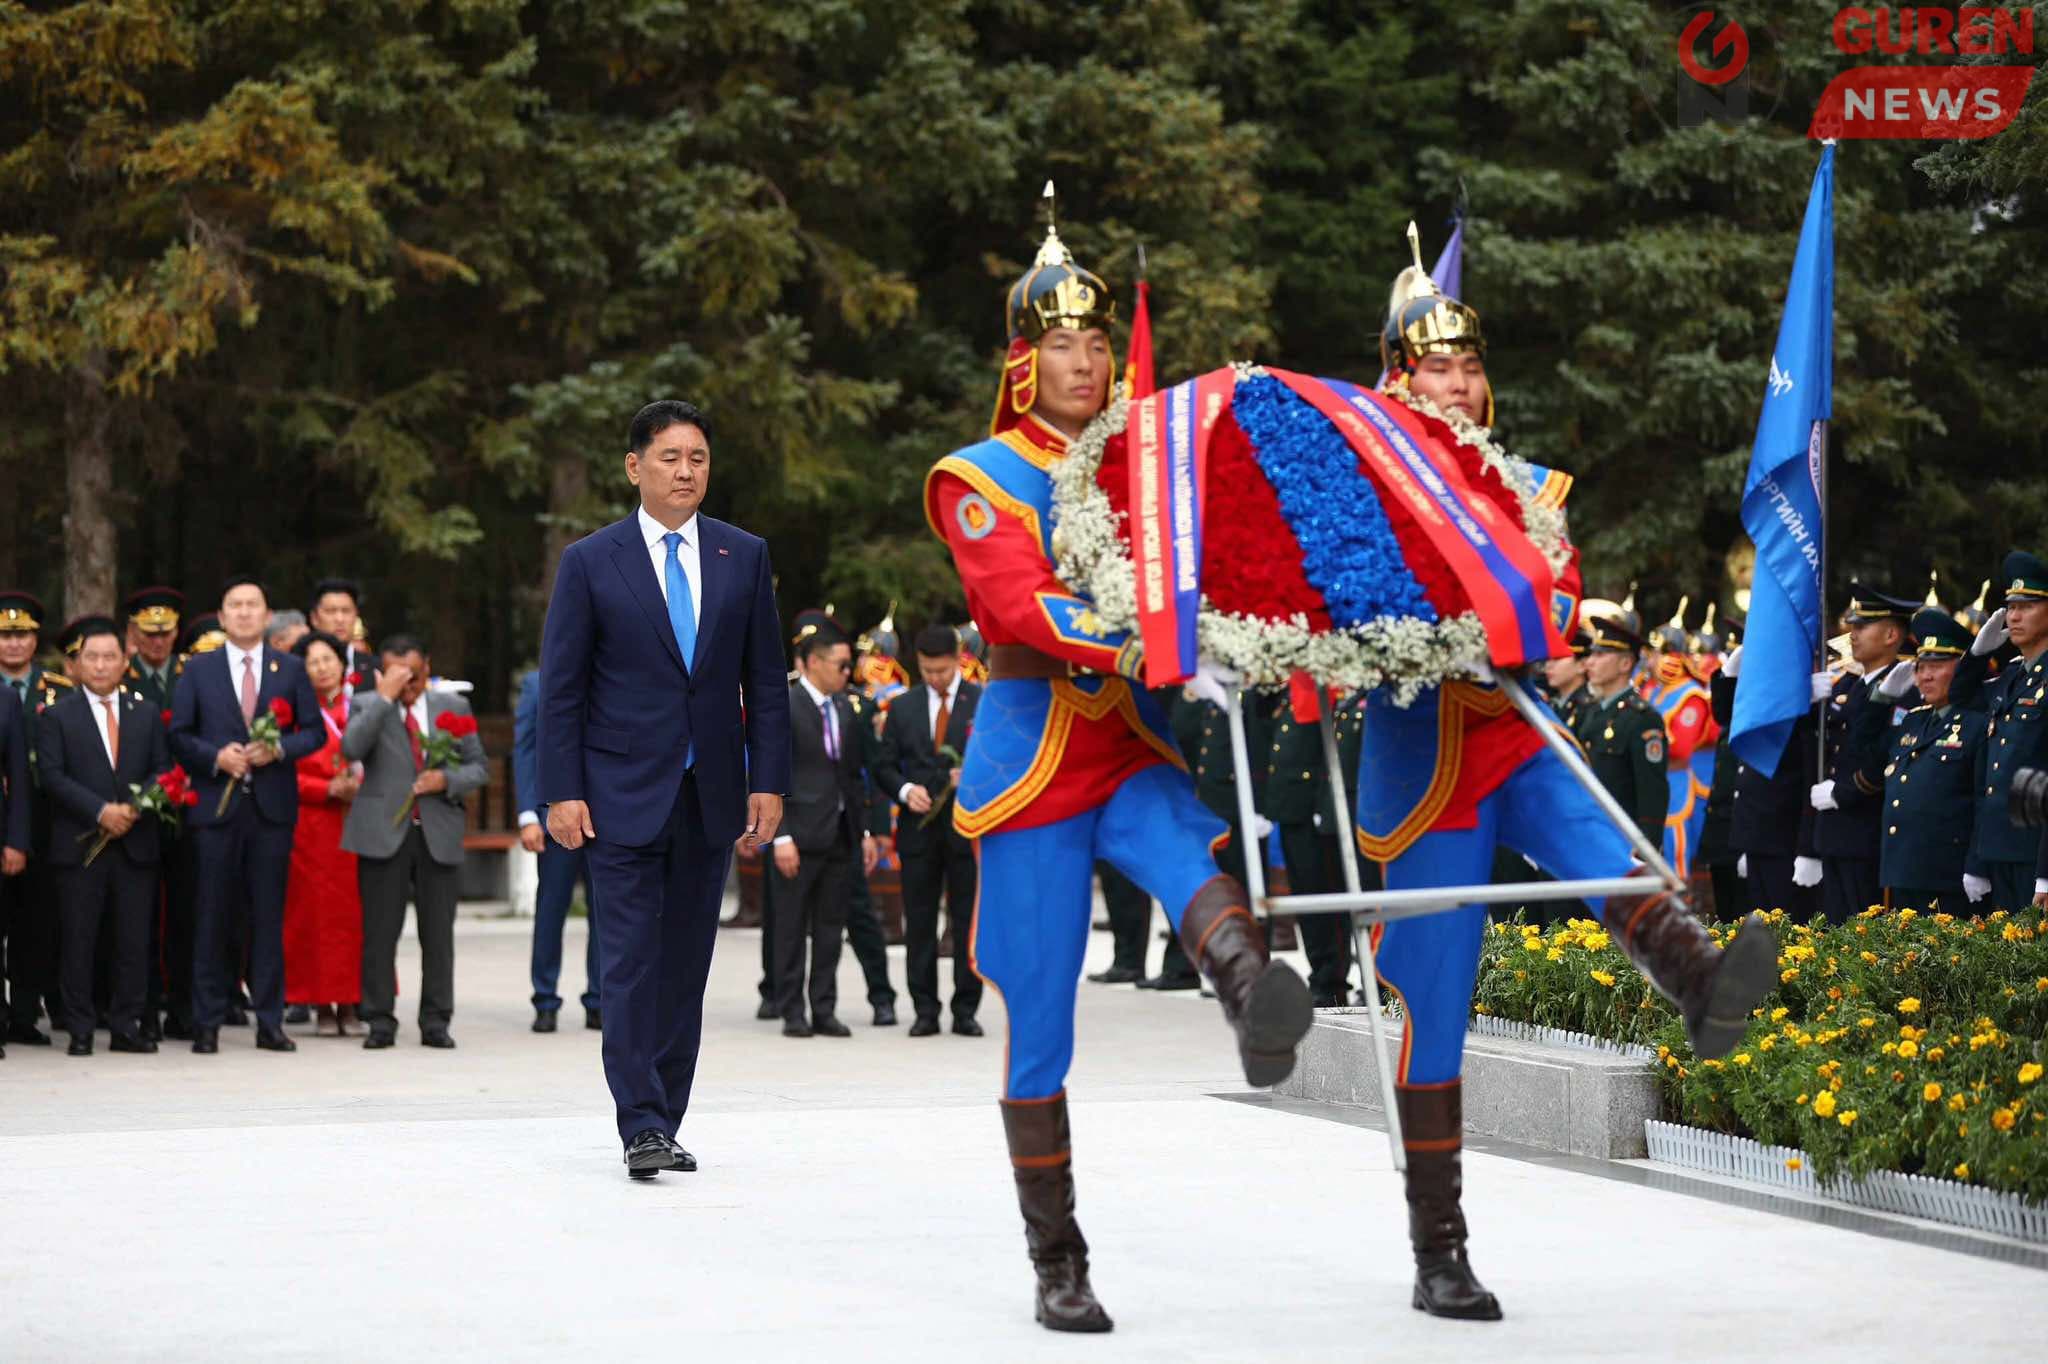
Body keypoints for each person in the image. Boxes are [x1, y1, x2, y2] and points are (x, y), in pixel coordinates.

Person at [1354, 235, 1772, 1321]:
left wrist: (1522, 620)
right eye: (1431, 368)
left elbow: (1552, 600)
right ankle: (1436, 1243)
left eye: (1465, 366)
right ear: (1398, 378)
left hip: (1510, 724)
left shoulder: (1529, 486)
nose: (1455, 383)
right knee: (1435, 1005)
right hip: (1421, 758)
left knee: (1602, 843)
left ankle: (1695, 980)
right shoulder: (1364, 484)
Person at [923, 197, 1312, 1332]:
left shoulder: (1152, 465)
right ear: (1021, 358)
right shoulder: (976, 473)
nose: (1085, 361)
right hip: (1034, 755)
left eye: (1097, 344)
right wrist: (1156, 640)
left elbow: (1219, 557)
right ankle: (1058, 1258)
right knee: (1042, 1019)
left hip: (1126, 742)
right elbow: (1018, 603)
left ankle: (1251, 994)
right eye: (1060, 343)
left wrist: (1242, 624)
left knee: (1188, 850)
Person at [539, 397, 791, 1180]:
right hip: (616, 793)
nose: (686, 472)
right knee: (629, 961)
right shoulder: (591, 561)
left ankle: (666, 1117)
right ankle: (639, 1121)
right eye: (671, 458)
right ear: (634, 467)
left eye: (698, 459)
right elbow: (563, 689)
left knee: (686, 965)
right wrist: (561, 790)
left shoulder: (741, 556)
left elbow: (766, 683)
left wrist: (769, 781)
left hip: (710, 793)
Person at [167, 576, 323, 1053]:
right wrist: (217, 757)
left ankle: (271, 1021)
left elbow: (313, 733)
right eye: (235, 605)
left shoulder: (290, 669)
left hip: (270, 812)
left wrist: (277, 750)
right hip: (216, 810)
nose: (244, 613)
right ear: (221, 613)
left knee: (267, 918)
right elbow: (179, 735)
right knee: (212, 916)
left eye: (253, 604)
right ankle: (207, 1021)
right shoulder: (198, 670)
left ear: (267, 613)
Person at [340, 634, 487, 1048]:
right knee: (380, 932)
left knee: (438, 934)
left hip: (437, 830)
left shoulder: (453, 707)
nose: (408, 682)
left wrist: (447, 780)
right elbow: (350, 747)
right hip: (382, 832)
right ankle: (379, 1020)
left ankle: (436, 1019)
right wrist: (384, 698)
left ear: (427, 665)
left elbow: (478, 767)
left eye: (415, 673)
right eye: (397, 674)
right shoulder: (368, 705)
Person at [36, 617, 171, 1055]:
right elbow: (52, 776)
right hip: (80, 846)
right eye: (90, 657)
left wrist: (135, 808)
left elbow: (162, 771)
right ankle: (79, 1028)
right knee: (79, 939)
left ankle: (126, 1025)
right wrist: (100, 811)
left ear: (124, 660)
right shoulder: (57, 714)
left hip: (135, 843)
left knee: (132, 942)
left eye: (108, 657)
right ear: (75, 665)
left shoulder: (145, 712)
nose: (99, 665)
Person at [769, 623, 881, 1037]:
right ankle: (791, 1009)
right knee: (792, 926)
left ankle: (824, 1007)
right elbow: (770, 773)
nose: (847, 672)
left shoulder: (844, 707)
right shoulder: (786, 704)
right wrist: (780, 835)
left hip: (840, 832)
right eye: (841, 664)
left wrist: (865, 831)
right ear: (814, 662)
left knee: (831, 926)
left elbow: (853, 776)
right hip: (797, 834)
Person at [878, 623, 985, 1036]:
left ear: (957, 661)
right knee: (919, 920)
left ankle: (965, 1009)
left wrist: (971, 778)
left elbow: (1002, 762)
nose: (935, 679)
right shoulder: (903, 707)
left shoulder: (982, 702)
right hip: (918, 832)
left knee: (965, 921)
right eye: (926, 671)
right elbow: (884, 765)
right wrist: (906, 791)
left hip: (967, 830)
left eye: (941, 670)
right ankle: (925, 1008)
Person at [1807, 584, 1917, 921]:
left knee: (1864, 937)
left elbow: (1886, 754)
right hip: (1835, 830)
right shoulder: (1853, 686)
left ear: (1890, 635)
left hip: (1867, 828)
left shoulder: (1904, 688)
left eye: (1863, 626)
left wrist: (1844, 791)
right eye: (1853, 625)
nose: (1852, 634)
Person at [1867, 609, 1984, 911]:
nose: (1926, 675)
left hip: (1947, 875)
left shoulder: (1976, 724)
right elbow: (1866, 756)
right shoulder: (1913, 722)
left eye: (1938, 665)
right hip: (1902, 870)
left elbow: (1983, 799)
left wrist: (1976, 864)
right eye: (1921, 666)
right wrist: (1880, 701)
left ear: (1961, 668)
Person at [1266, 686, 1371, 1008]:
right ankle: (1325, 979)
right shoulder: (1296, 690)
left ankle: (1364, 980)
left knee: (1347, 901)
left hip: (1335, 809)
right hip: (1294, 804)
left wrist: (1323, 808)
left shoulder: (1345, 697)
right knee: (1310, 901)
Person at [282, 631, 365, 1036]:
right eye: (312, 662)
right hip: (313, 828)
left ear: (341, 662)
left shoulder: (362, 706)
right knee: (313, 918)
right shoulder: (294, 714)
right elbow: (282, 774)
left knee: (356, 917)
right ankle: (321, 1006)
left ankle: (353, 1002)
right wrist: (326, 788)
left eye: (328, 659)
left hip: (358, 823)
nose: (322, 668)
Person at [3, 590, 74, 1046]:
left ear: (35, 640)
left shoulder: (59, 691)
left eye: (22, 635)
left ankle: (26, 1013)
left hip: (47, 819)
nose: (13, 644)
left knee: (36, 921)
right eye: (5, 635)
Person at [515, 665, 600, 1033]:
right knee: (551, 909)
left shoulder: (614, 674)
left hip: (608, 817)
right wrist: (528, 815)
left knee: (607, 912)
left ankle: (600, 999)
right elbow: (526, 748)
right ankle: (545, 999)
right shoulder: (538, 682)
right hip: (555, 819)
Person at [1711, 636, 1819, 917]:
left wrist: (1808, 849)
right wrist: (1730, 674)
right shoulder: (1771, 703)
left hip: (1787, 841)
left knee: (1790, 938)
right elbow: (1727, 715)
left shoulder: (1802, 710)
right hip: (1756, 837)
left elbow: (1811, 779)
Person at [1965, 551, 2048, 910]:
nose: (2013, 616)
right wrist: (1976, 656)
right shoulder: (2014, 676)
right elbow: (1961, 703)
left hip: (2035, 854)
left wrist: (2046, 873)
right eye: (2010, 606)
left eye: (2026, 606)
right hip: (2001, 847)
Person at [1574, 609, 1670, 845]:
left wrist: (1646, 849)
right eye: (1591, 654)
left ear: (1625, 663)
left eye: (1601, 655)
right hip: (1586, 834)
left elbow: (1652, 795)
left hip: (1620, 841)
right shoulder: (1592, 711)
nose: (1590, 662)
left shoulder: (1642, 718)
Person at [1643, 605, 1717, 880]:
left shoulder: (1692, 695)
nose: (1652, 661)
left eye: (1659, 654)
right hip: (1650, 784)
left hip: (1675, 786)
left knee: (1675, 860)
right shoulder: (1654, 690)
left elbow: (1681, 750)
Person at [309, 579, 377, 700]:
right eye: (330, 611)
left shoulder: (375, 668)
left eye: (346, 611)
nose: (339, 619)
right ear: (314, 618)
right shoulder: (298, 667)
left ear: (356, 615)